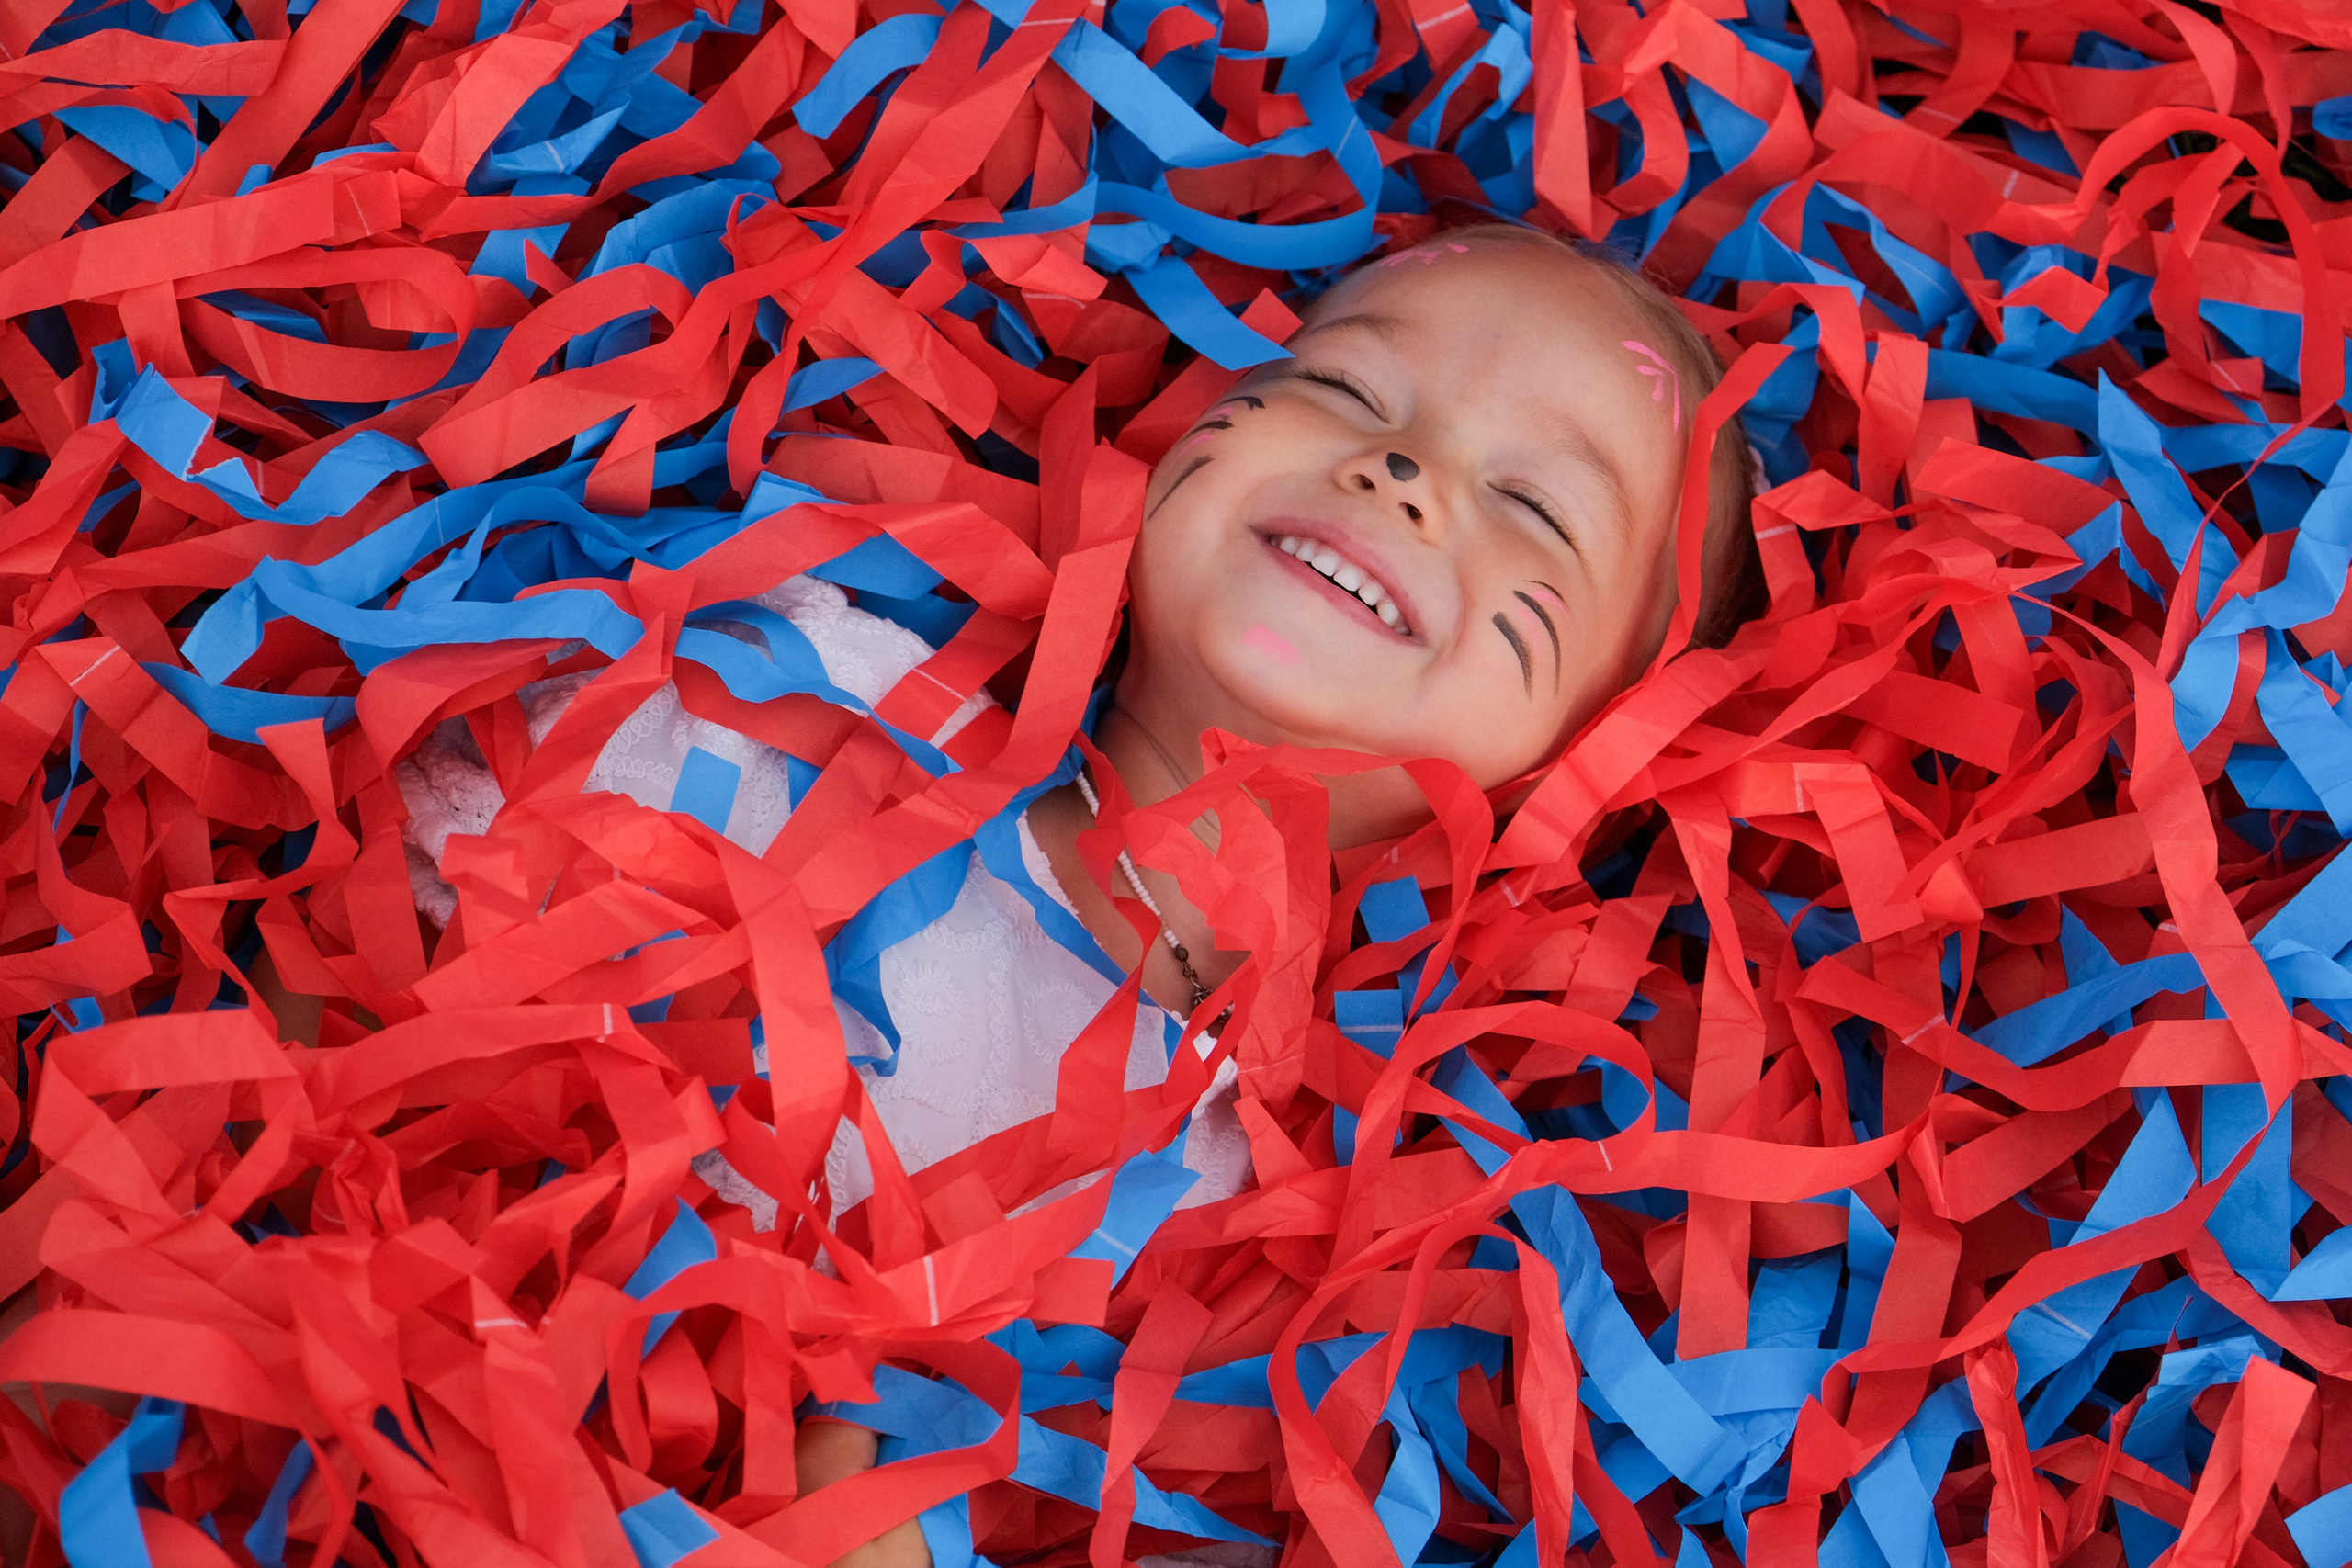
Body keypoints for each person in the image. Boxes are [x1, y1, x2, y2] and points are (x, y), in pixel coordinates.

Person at [392, 221, 1763, 1567]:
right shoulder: (791, 706)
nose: (1404, 470)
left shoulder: (1293, 1249)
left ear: (1594, 760)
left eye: (1536, 507)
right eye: (1344, 387)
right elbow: (352, 984)